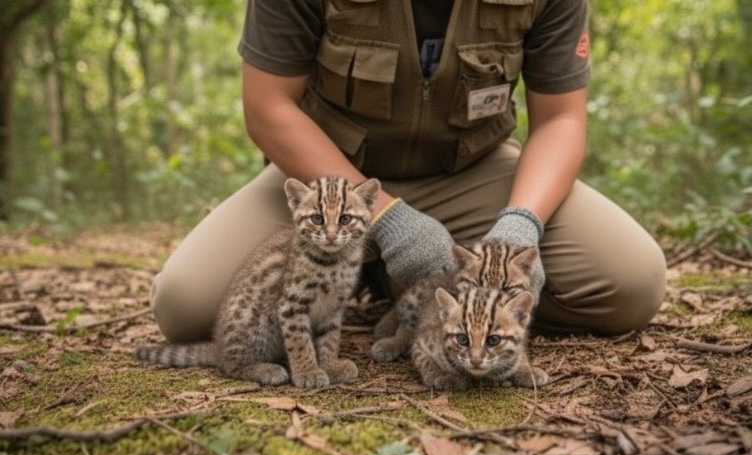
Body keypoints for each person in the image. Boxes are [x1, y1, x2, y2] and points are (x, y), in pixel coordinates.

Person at [148, 0, 667, 343]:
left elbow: (561, 120)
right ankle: (366, 270)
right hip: (329, 184)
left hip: (471, 171)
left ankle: (427, 289)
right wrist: (387, 219)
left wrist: (520, 224)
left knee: (631, 284)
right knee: (186, 308)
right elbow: (268, 108)